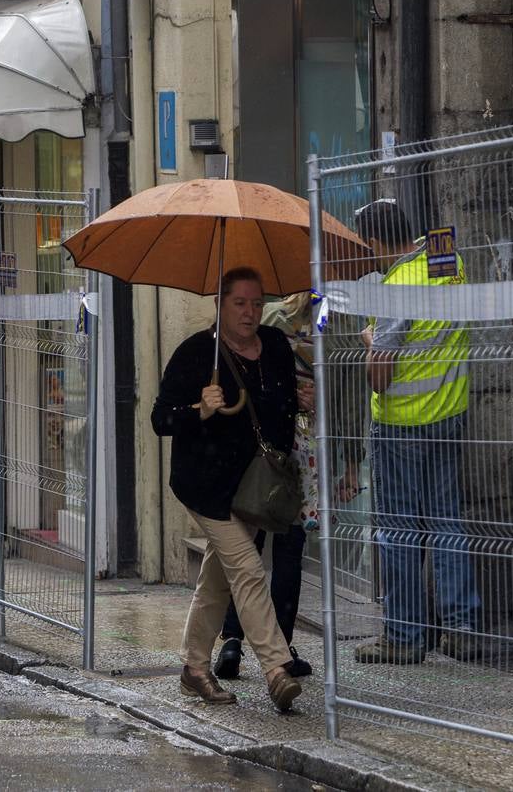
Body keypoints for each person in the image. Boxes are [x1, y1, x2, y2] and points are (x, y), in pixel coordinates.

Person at [151, 267, 304, 711]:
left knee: (218, 580)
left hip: (254, 488)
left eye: (257, 303)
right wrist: (200, 408)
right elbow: (161, 419)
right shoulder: (198, 353)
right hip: (206, 485)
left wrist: (300, 401)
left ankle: (194, 668)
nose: (250, 312)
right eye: (240, 303)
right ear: (220, 305)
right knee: (250, 570)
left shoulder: (274, 345)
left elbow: (282, 402)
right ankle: (277, 669)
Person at [351, 199, 482, 665]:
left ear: (371, 243)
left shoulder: (395, 289)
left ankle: (404, 636)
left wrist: (369, 341)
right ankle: (462, 628)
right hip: (449, 415)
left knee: (399, 530)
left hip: (401, 425)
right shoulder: (448, 259)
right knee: (447, 523)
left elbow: (380, 377)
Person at [213, 292, 316, 681]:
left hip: (261, 449)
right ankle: (280, 649)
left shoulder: (270, 316)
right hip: (294, 450)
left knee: (248, 548)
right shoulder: (331, 324)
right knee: (288, 546)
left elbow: (247, 377)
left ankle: (233, 641)